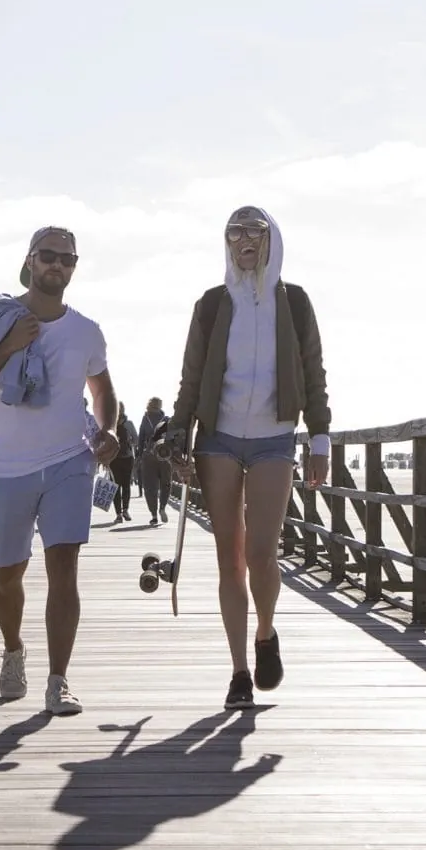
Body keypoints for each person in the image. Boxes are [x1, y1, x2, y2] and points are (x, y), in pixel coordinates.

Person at [0, 225, 118, 715]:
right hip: (8, 467)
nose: (57, 265)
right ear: (30, 261)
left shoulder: (86, 331)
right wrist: (10, 345)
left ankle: (59, 680)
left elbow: (102, 390)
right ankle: (13, 650)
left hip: (68, 463)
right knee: (7, 573)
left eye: (67, 258)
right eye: (48, 256)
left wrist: (108, 430)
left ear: (74, 267)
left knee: (64, 569)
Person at [168, 206, 329, 709]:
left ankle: (265, 633)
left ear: (270, 239)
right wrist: (178, 431)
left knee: (262, 554)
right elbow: (192, 376)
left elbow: (314, 372)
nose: (244, 240)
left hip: (274, 437)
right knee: (229, 559)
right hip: (216, 438)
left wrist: (320, 439)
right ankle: (239, 671)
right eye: (234, 232)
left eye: (254, 231)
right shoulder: (213, 304)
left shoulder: (295, 303)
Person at [135, 396, 171, 522]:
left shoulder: (145, 419)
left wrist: (139, 457)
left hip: (149, 455)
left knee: (150, 486)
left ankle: (154, 515)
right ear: (160, 406)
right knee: (165, 483)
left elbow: (140, 439)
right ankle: (162, 507)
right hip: (164, 455)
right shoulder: (166, 420)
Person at [107, 395, 136, 523]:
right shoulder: (128, 424)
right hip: (127, 457)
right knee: (125, 485)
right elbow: (136, 439)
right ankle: (125, 511)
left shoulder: (108, 422)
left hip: (113, 458)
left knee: (116, 485)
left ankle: (119, 513)